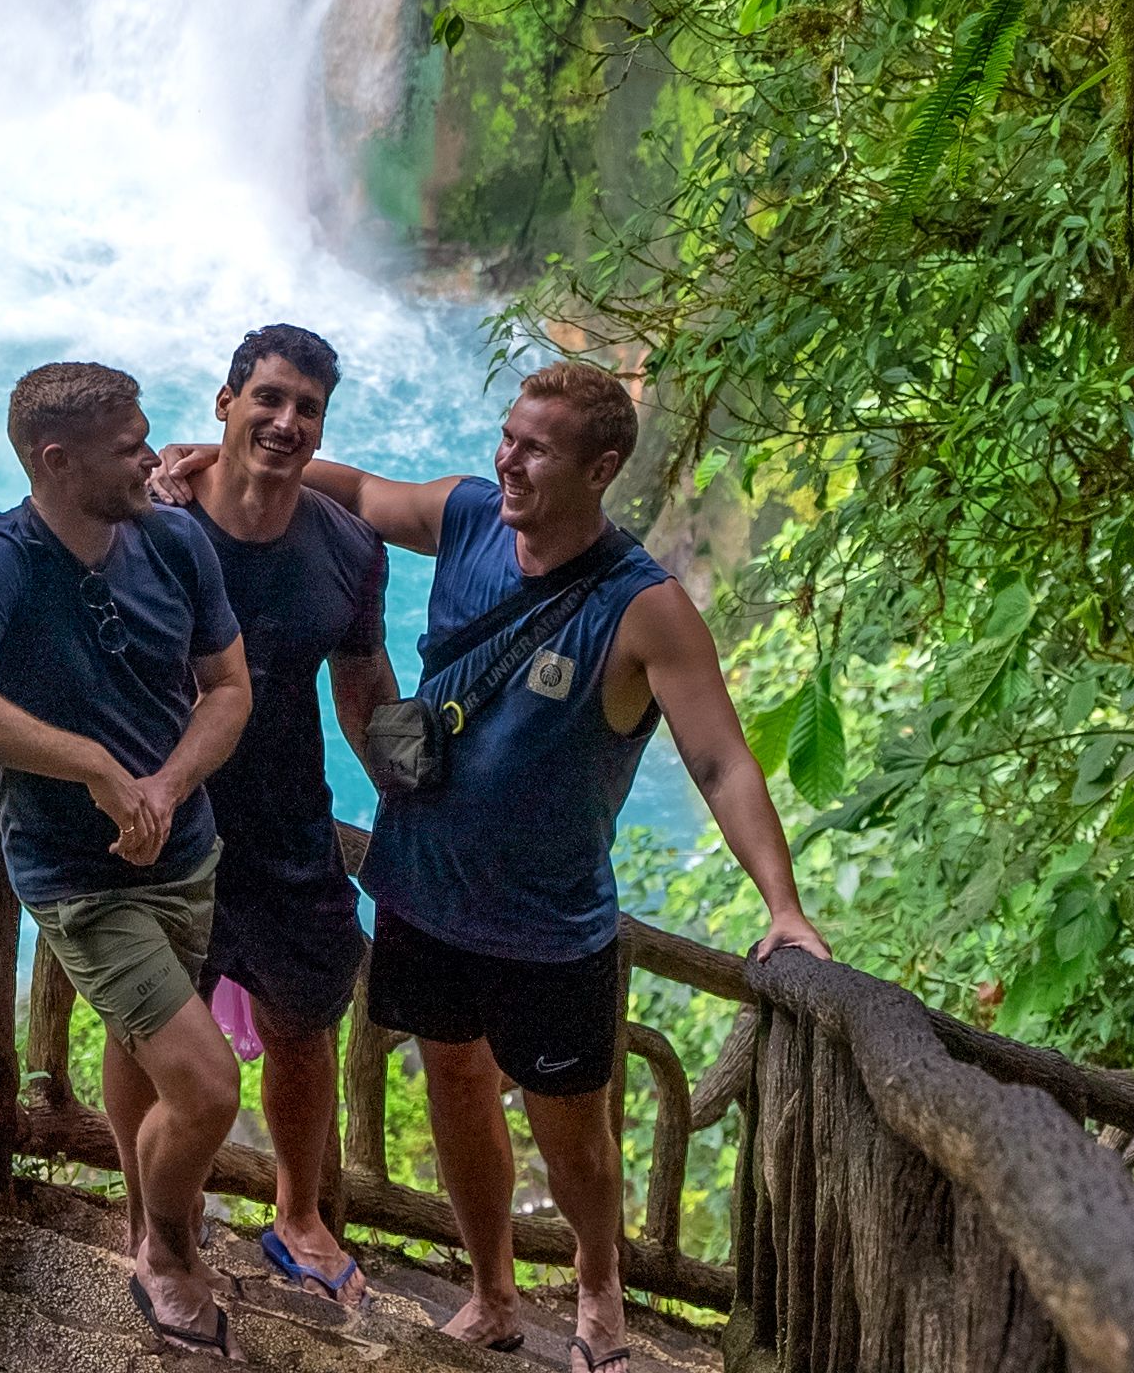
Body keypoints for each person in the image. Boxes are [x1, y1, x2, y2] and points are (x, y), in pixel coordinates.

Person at [194, 358, 825, 1370]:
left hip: (550, 921)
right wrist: (219, 456)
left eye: (535, 447)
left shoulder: (642, 607)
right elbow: (352, 491)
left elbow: (719, 759)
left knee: (570, 1135)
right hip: (424, 891)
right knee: (453, 1087)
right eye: (507, 436)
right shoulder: (468, 517)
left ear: (601, 466)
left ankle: (596, 1284)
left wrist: (781, 904)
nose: (508, 460)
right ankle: (489, 1292)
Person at [0, 360, 256, 1355]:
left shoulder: (174, 540)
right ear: (56, 462)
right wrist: (96, 766)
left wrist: (168, 784)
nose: (155, 457)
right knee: (206, 1084)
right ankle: (170, 1253)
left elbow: (226, 689)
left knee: (151, 1060)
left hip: (183, 852)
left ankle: (143, 1216)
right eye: (130, 445)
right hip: (78, 875)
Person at [174, 322, 397, 1317]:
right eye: (266, 397)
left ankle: (297, 1213)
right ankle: (158, 1218)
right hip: (166, 821)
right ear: (224, 403)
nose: (284, 419)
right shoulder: (156, 524)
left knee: (305, 1019)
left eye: (305, 407)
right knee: (155, 1020)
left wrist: (414, 794)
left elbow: (362, 688)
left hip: (285, 822)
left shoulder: (346, 549)